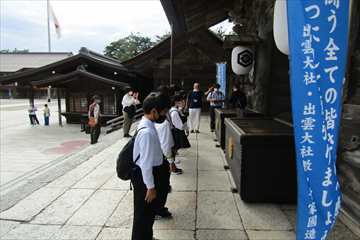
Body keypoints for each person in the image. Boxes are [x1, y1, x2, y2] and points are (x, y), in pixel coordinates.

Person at [131, 92, 170, 240]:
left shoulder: (148, 125)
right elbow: (146, 164)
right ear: (153, 111)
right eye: (162, 112)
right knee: (143, 215)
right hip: (145, 178)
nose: (163, 115)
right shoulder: (147, 132)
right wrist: (151, 187)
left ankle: (147, 236)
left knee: (147, 213)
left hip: (148, 176)